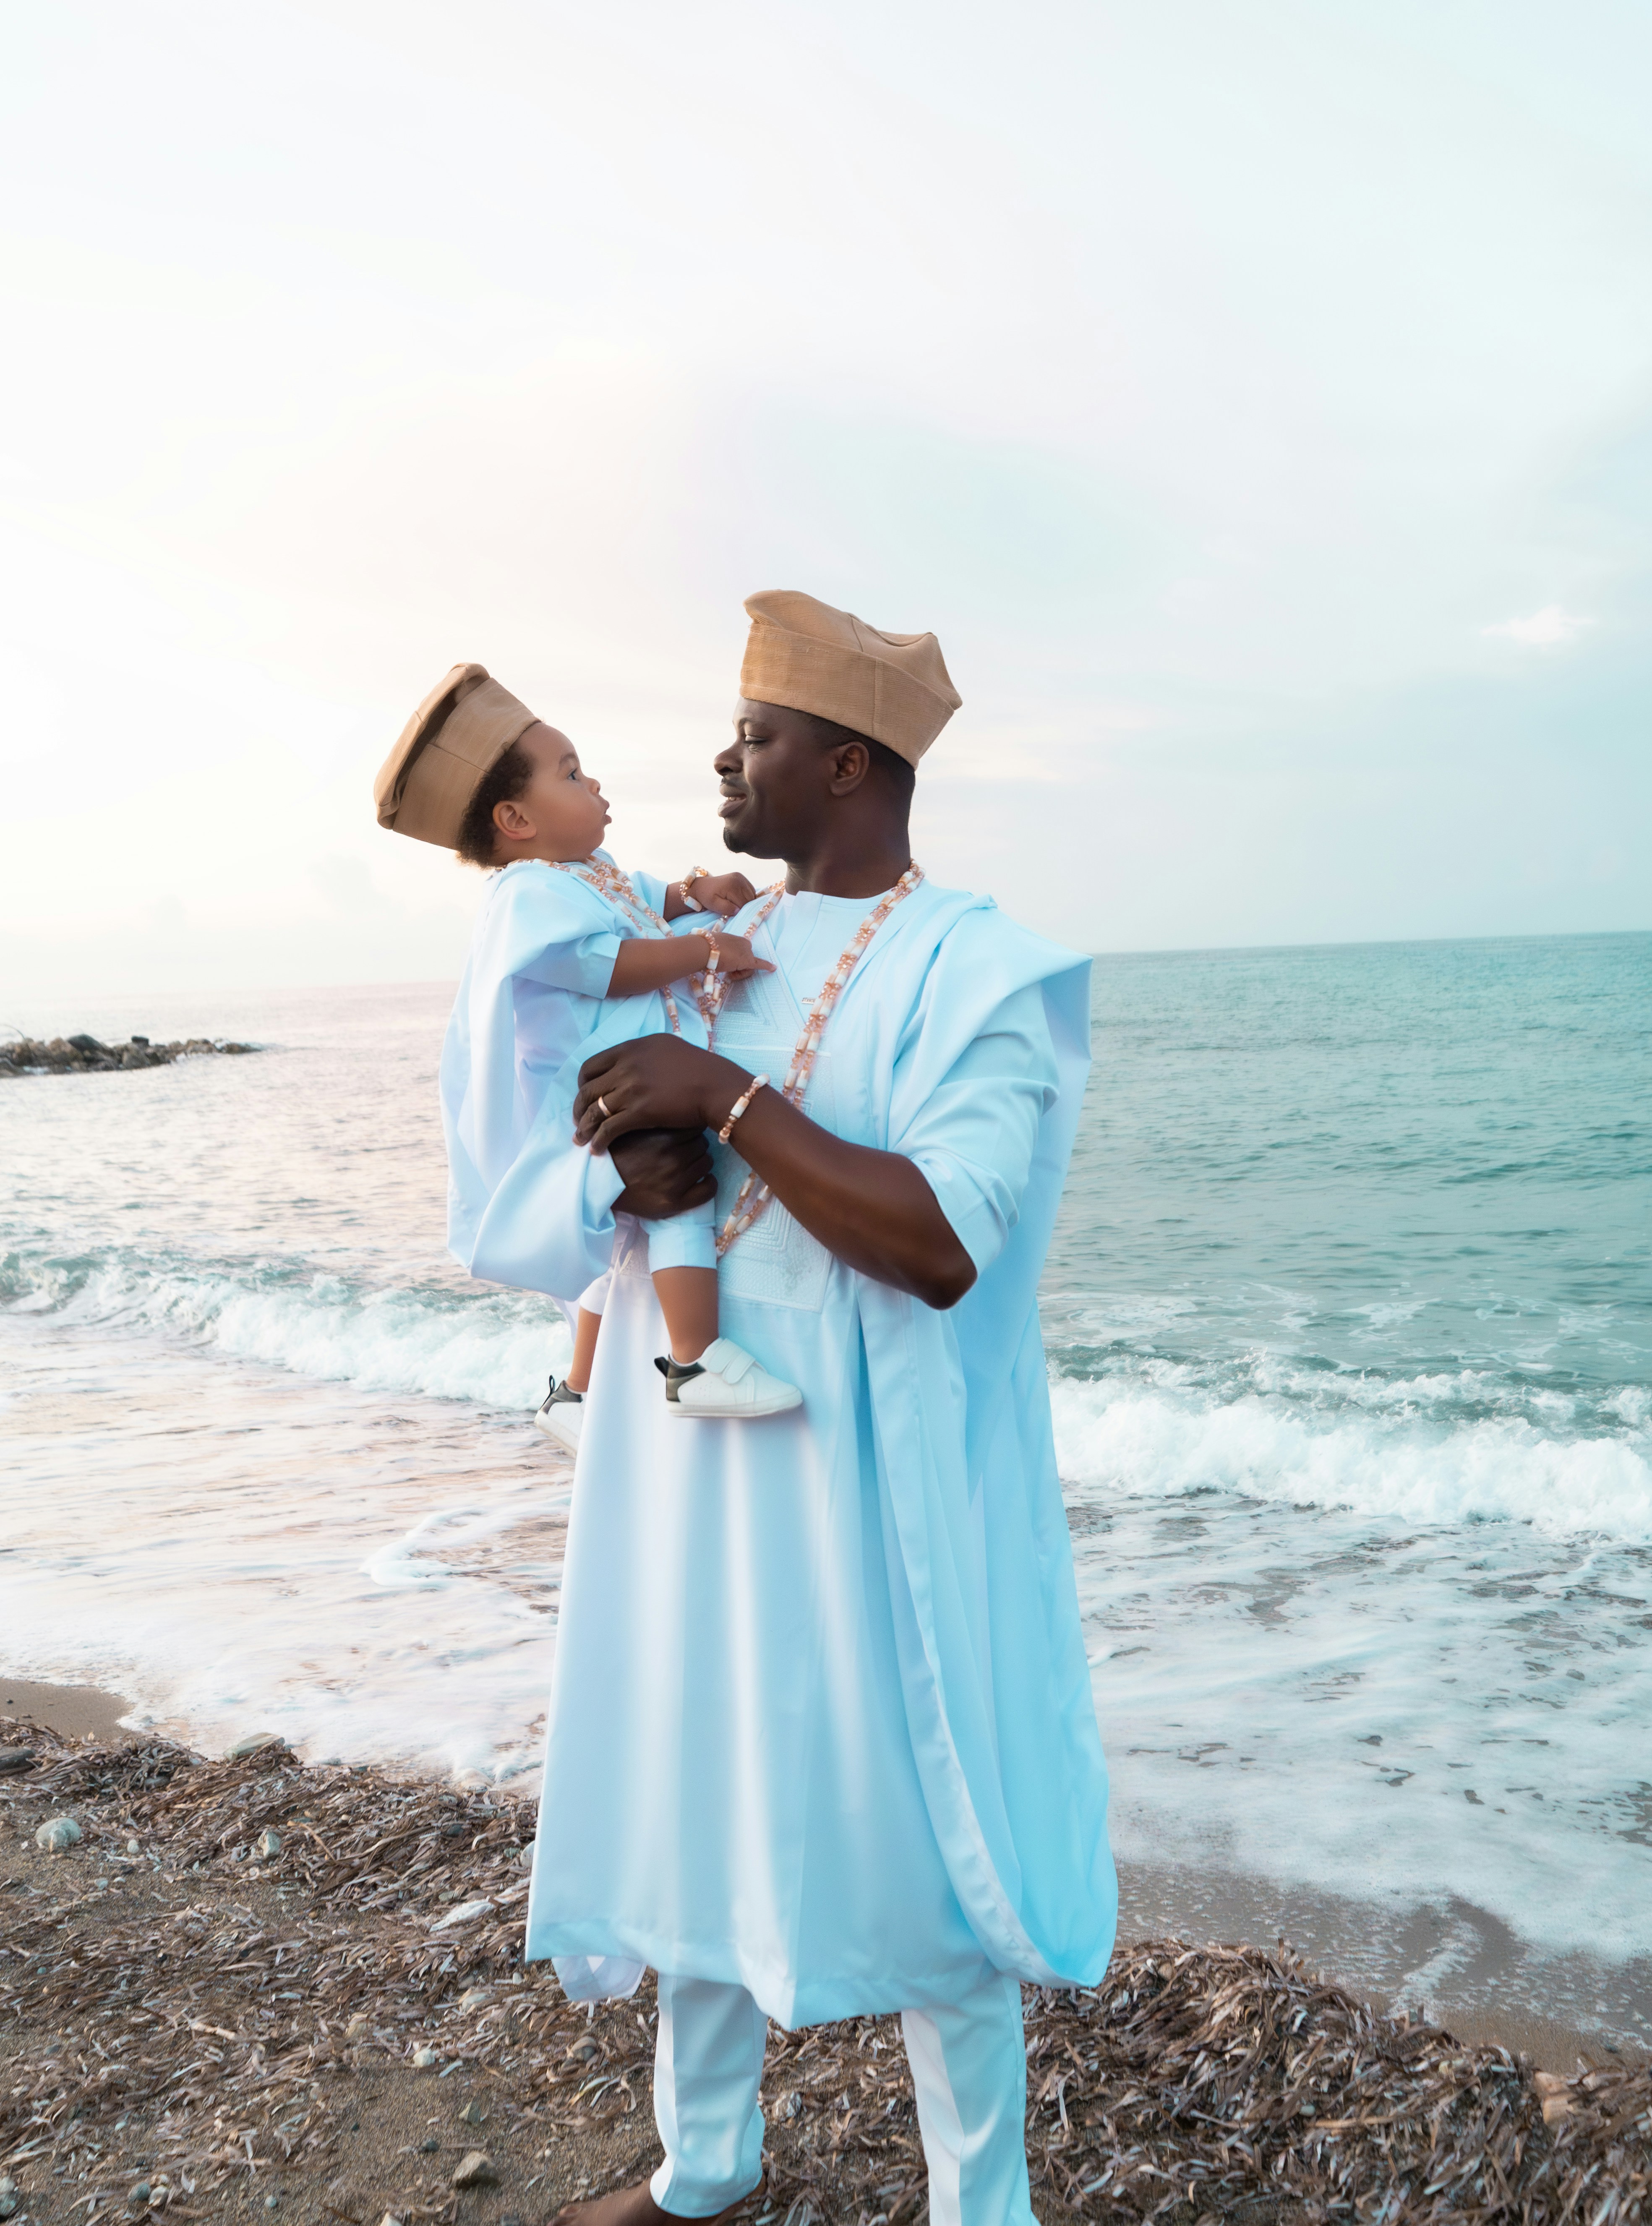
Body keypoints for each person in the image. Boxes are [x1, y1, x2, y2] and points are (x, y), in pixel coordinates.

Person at [498, 592, 1116, 2226]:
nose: (721, 756)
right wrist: (626, 1152)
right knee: (692, 1776)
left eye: (756, 735)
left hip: (867, 1471)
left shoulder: (976, 966)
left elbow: (935, 1245)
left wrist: (728, 1099)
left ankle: (984, 2208)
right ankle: (704, 2164)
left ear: (845, 763)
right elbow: (575, 1156)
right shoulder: (703, 945)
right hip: (688, 1443)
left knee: (924, 1827)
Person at [372, 663, 804, 1446]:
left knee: (623, 1243)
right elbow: (601, 963)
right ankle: (695, 1361)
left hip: (622, 1075)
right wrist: (705, 950)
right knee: (676, 1190)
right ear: (514, 818)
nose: (594, 782)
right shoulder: (526, 894)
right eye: (570, 773)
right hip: (599, 1090)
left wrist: (692, 892)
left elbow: (643, 897)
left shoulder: (584, 871)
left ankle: (577, 1388)